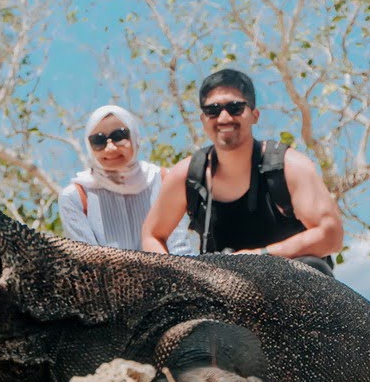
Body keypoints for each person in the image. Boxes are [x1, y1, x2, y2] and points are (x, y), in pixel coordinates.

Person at [142, 69, 343, 275]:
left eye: (235, 107)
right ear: (203, 119)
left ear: (254, 115)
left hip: (294, 286)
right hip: (223, 289)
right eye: (213, 110)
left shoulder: (289, 166)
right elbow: (152, 235)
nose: (224, 117)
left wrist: (260, 256)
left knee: (313, 267)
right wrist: (174, 276)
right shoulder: (187, 175)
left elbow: (331, 234)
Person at [59, 104, 194, 254]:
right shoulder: (75, 196)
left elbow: (179, 249)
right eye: (98, 140)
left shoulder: (163, 181)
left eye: (119, 136)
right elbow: (87, 262)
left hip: (171, 274)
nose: (110, 148)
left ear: (135, 136)